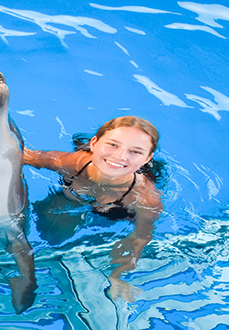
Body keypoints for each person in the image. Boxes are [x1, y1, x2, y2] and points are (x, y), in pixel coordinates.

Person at [24, 116, 165, 302]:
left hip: (118, 211)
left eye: (135, 152)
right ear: (94, 143)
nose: (120, 156)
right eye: (112, 145)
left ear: (147, 158)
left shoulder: (146, 199)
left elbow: (139, 239)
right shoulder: (73, 163)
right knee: (51, 235)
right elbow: (23, 156)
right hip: (73, 196)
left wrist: (116, 276)